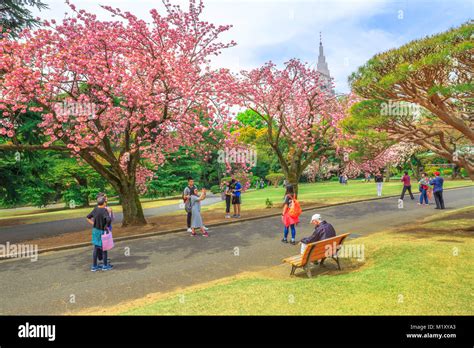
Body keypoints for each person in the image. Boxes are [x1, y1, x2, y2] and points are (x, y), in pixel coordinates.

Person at [86, 196, 112, 272]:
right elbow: (108, 219)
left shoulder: (95, 209)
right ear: (104, 203)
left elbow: (88, 217)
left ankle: (94, 266)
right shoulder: (105, 210)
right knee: (104, 249)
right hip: (101, 231)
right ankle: (105, 265)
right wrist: (106, 226)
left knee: (96, 248)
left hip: (95, 231)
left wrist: (93, 223)